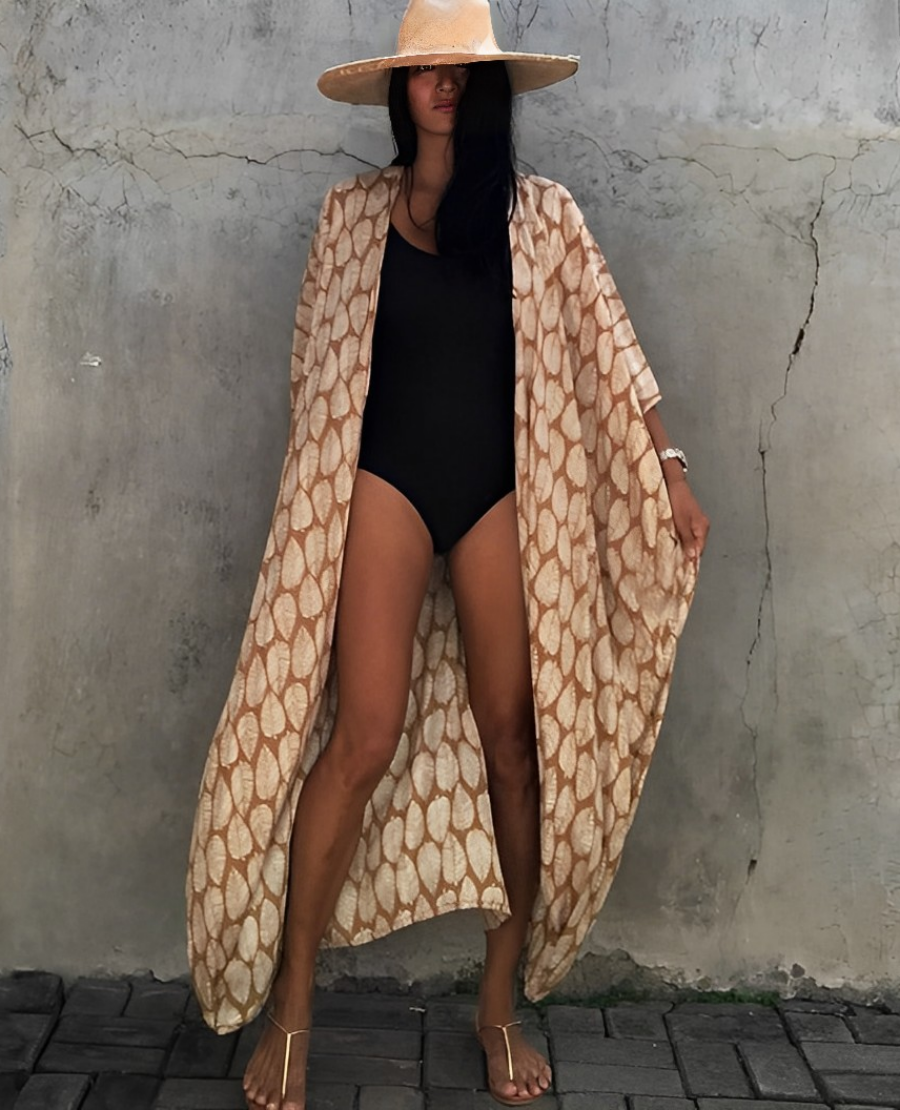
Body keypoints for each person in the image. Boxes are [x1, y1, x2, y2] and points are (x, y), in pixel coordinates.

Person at [186, 2, 709, 1108]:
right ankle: (291, 1009)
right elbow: (313, 381)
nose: (442, 87)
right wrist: (318, 514)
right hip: (383, 481)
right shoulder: (349, 217)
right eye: (425, 70)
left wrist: (666, 467)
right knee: (361, 733)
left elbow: (615, 354)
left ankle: (498, 1002)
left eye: (462, 74)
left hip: (500, 490)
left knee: (515, 740)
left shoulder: (544, 217)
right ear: (400, 85)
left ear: (490, 93)